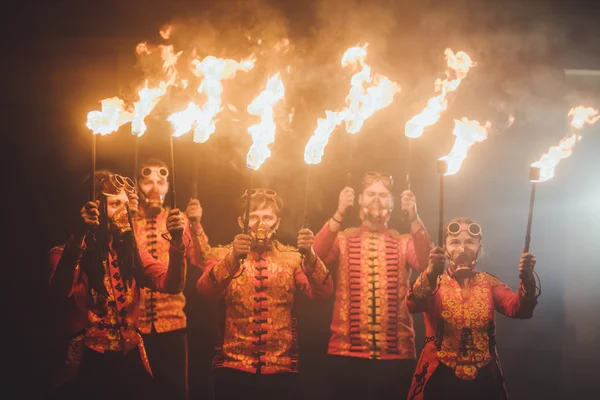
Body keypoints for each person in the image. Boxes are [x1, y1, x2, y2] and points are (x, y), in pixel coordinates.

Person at [48, 170, 188, 400]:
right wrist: (79, 237)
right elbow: (60, 292)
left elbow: (172, 285)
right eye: (115, 204)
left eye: (125, 204)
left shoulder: (131, 254)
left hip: (127, 358)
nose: (124, 212)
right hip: (86, 362)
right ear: (91, 209)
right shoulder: (63, 254)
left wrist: (178, 241)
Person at [196, 188, 333, 400]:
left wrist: (311, 255)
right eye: (254, 217)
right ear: (242, 222)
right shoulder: (220, 254)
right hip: (232, 367)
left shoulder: (292, 259)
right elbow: (205, 292)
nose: (261, 224)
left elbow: (323, 293)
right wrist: (233, 257)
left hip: (281, 369)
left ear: (277, 223)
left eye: (267, 217)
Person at [313, 171, 433, 400]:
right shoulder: (343, 238)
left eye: (382, 194)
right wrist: (339, 213)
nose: (376, 199)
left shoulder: (404, 240)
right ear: (358, 199)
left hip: (397, 355)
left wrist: (414, 218)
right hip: (346, 352)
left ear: (392, 202)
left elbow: (427, 265)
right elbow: (314, 259)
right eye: (370, 193)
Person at [405, 217, 539, 400]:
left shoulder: (488, 282)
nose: (463, 248)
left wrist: (528, 278)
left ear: (479, 247)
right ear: (444, 248)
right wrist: (429, 273)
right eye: (454, 242)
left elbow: (520, 310)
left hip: (484, 380)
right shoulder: (434, 282)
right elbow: (412, 304)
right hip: (439, 376)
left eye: (469, 242)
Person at [131, 158, 209, 400]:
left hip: (173, 324)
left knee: (174, 391)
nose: (155, 188)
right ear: (137, 187)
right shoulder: (128, 220)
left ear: (168, 187)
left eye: (161, 182)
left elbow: (202, 259)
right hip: (135, 325)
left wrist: (195, 225)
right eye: (148, 182)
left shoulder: (179, 220)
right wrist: (128, 218)